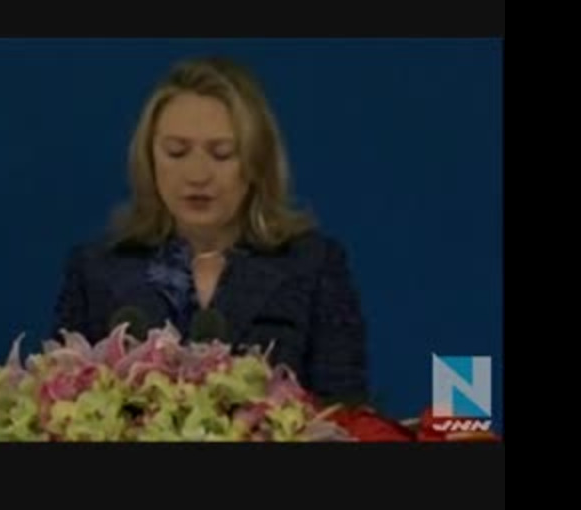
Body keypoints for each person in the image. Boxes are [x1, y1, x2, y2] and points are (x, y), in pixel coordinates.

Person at [51, 57, 368, 403]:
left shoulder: (313, 266)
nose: (198, 175)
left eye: (222, 154)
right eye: (176, 152)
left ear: (256, 161)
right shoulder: (95, 271)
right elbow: (59, 406)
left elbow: (346, 414)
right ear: (149, 158)